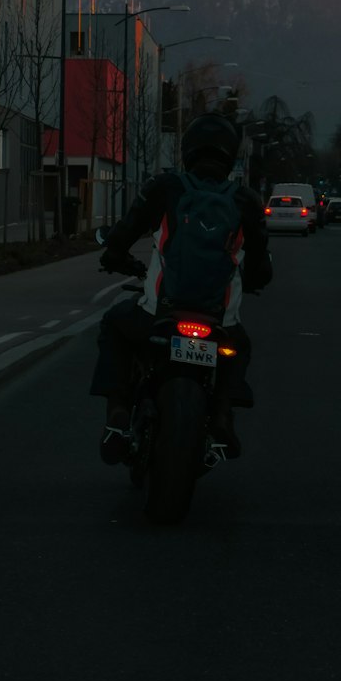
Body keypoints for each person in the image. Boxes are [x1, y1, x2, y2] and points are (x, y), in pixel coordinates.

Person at [89, 111, 272, 463]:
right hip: (219, 321)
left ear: (187, 151)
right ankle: (221, 417)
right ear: (230, 154)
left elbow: (125, 232)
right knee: (239, 346)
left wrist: (114, 253)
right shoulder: (245, 201)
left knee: (115, 324)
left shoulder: (166, 188)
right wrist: (249, 281)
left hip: (160, 312)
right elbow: (261, 270)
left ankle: (116, 415)